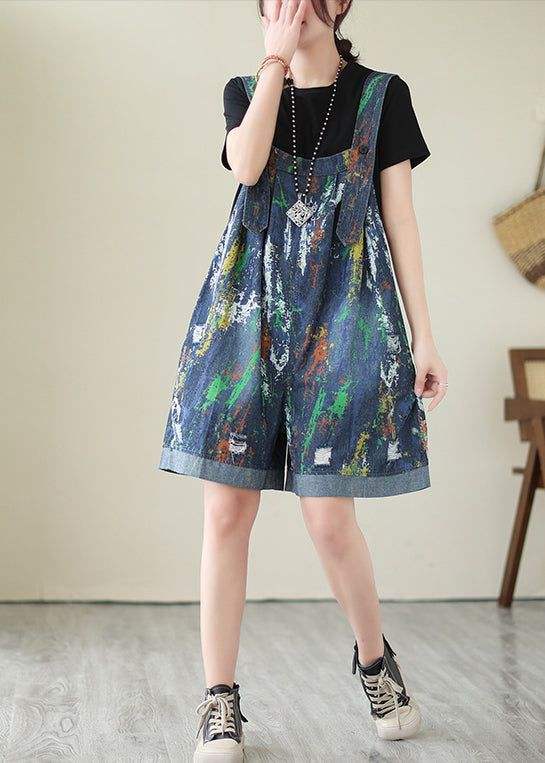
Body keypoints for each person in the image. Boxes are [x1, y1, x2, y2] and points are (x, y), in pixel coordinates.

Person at [158, 0, 448, 759]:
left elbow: (401, 220)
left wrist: (424, 336)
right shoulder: (246, 89)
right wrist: (273, 63)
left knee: (328, 517)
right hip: (246, 311)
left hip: (345, 309)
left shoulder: (382, 95)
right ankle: (219, 699)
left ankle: (375, 663)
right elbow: (247, 165)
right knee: (226, 511)